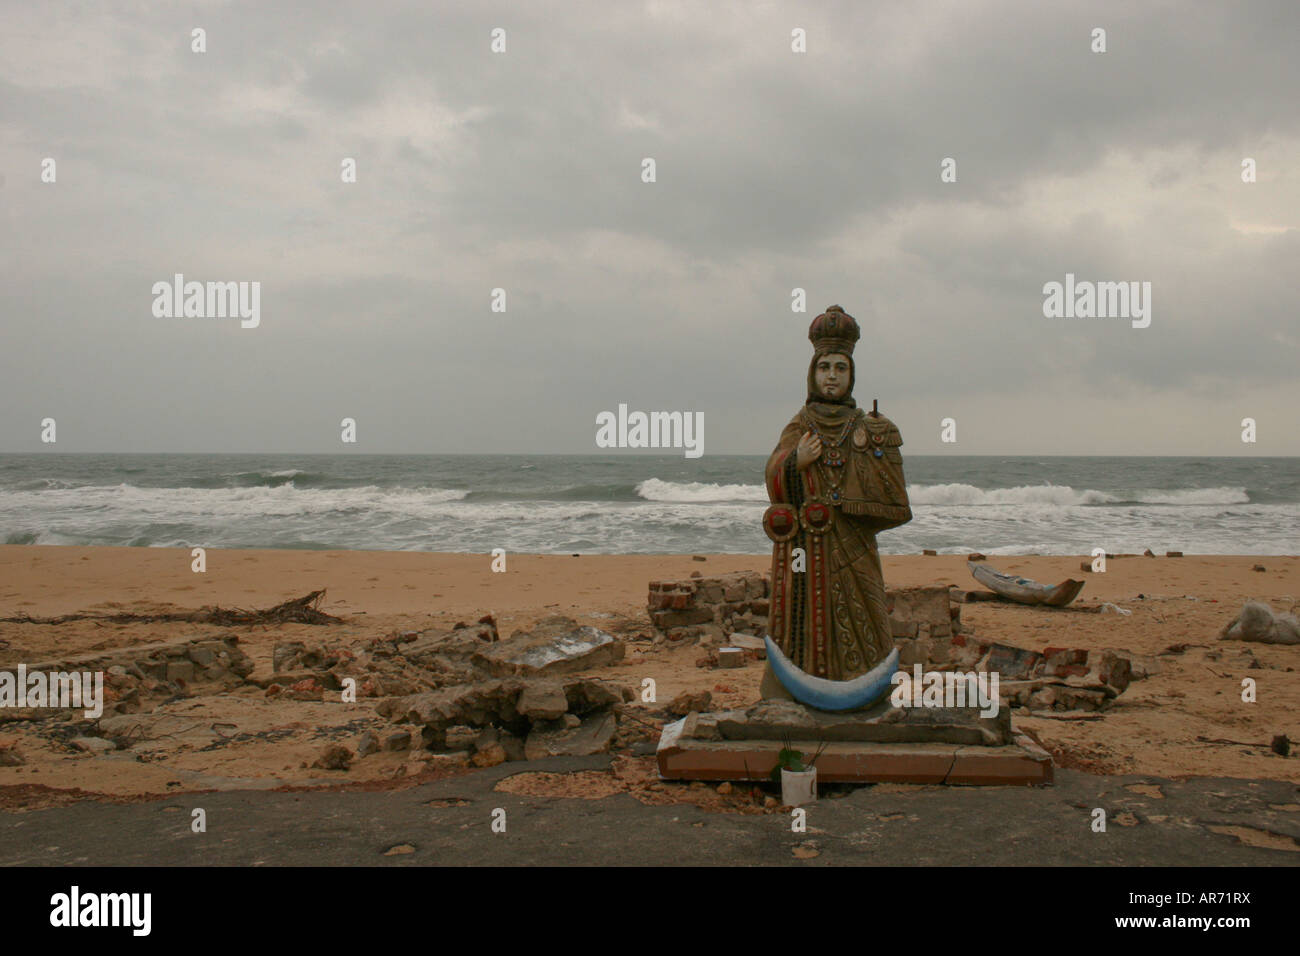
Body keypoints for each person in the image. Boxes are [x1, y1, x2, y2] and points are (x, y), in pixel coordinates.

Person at [760, 305, 912, 689]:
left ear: (851, 374)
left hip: (853, 541)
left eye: (840, 368)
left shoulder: (865, 425)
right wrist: (797, 461)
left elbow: (887, 493)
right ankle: (801, 687)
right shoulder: (801, 423)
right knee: (801, 608)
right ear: (813, 373)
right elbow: (773, 474)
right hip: (805, 546)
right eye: (824, 367)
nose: (831, 376)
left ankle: (865, 687)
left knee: (866, 607)